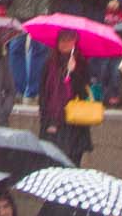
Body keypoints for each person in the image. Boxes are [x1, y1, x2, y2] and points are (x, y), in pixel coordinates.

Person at [39, 28, 98, 165]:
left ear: (75, 42)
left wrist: (73, 72)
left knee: (71, 165)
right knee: (52, 165)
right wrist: (46, 121)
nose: (64, 43)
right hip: (53, 123)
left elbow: (84, 93)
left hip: (74, 126)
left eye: (68, 40)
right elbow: (43, 94)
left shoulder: (82, 64)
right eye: (61, 40)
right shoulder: (49, 64)